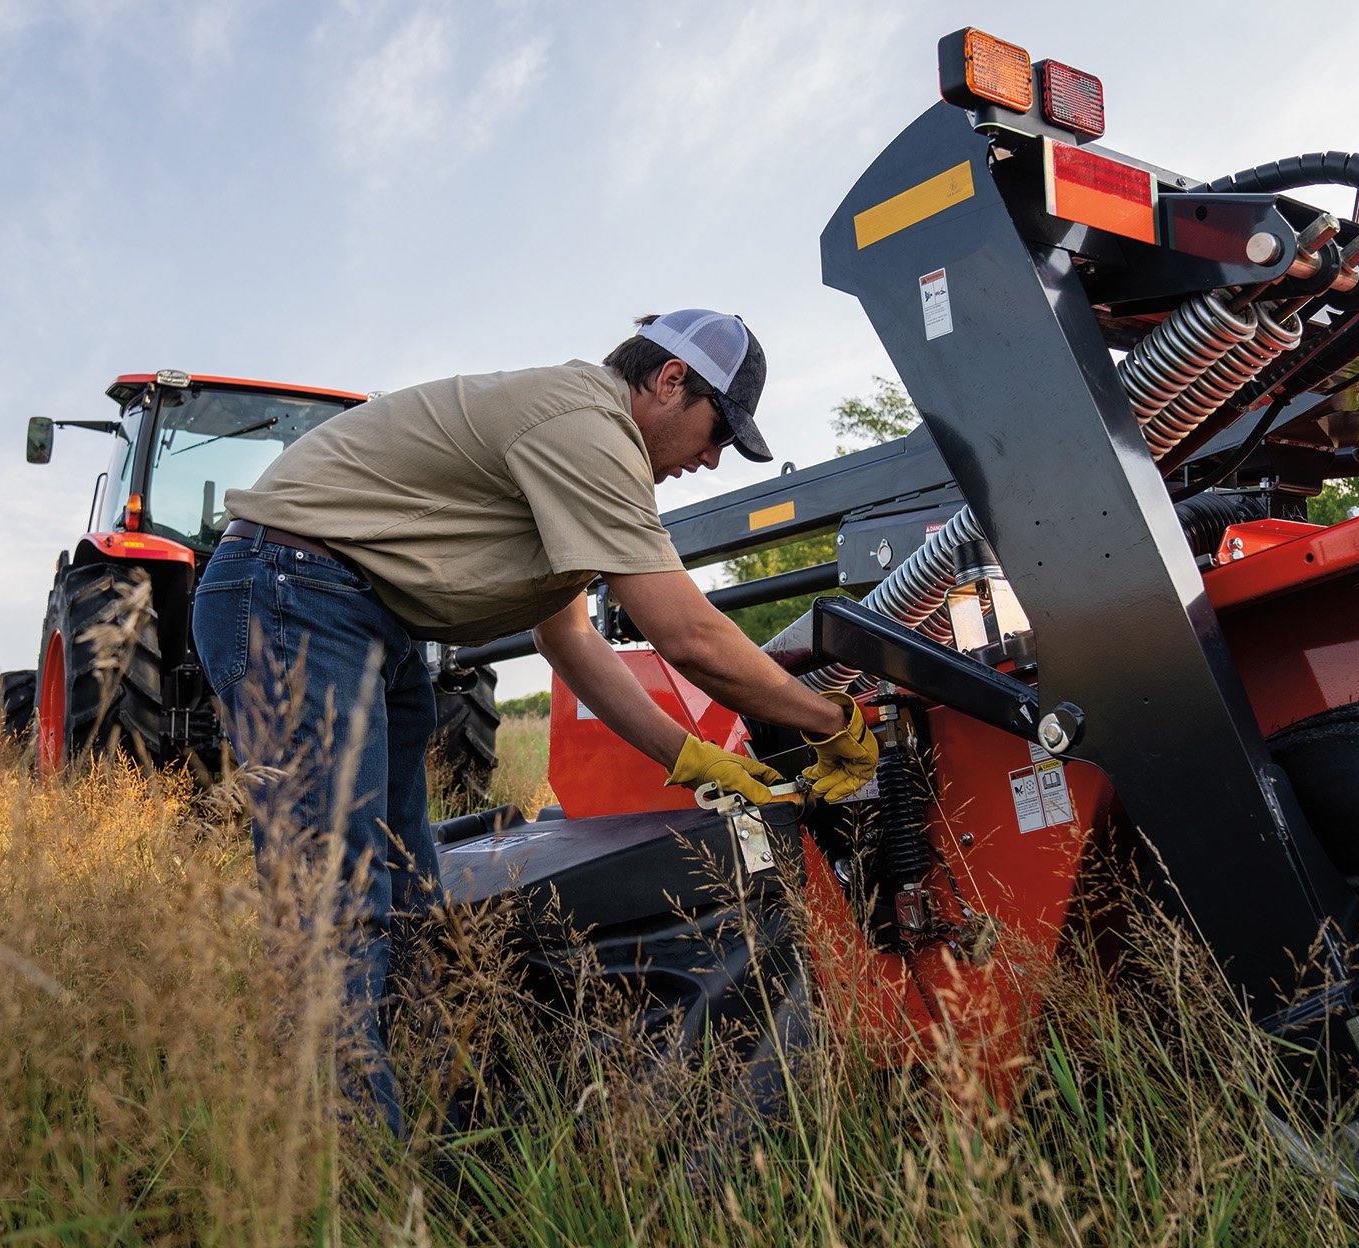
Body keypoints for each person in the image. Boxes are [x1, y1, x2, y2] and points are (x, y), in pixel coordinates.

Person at [191, 309, 879, 1133]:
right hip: (293, 588)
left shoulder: (583, 448)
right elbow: (688, 634)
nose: (710, 458)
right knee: (335, 901)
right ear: (668, 381)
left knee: (408, 893)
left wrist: (692, 758)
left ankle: (411, 1125)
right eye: (716, 430)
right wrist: (828, 721)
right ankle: (346, 1169)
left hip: (368, 610)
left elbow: (571, 640)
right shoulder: (588, 427)